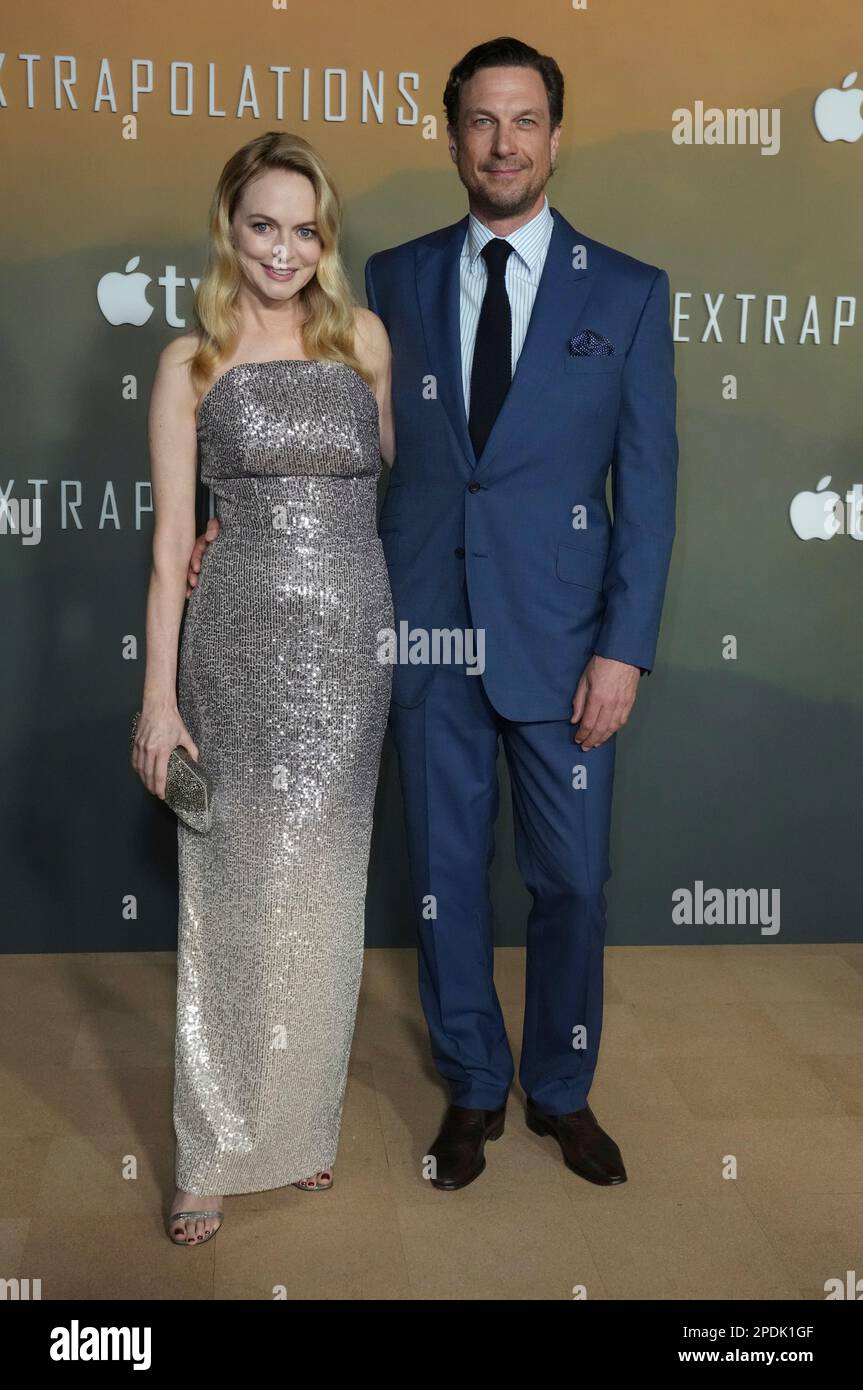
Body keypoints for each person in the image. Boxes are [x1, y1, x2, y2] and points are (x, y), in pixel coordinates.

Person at [190, 35, 679, 1195]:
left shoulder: (625, 290)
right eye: (479, 121)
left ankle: (560, 1088)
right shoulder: (392, 282)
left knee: (569, 883)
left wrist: (623, 648)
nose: (501, 142)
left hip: (565, 647)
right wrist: (230, 514)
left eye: (523, 121)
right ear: (450, 135)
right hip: (421, 636)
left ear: (553, 137)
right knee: (445, 879)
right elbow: (298, 401)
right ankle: (470, 1081)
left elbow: (648, 490)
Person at [132, 130, 394, 1245]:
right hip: (235, 640)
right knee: (233, 893)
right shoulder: (190, 359)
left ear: (322, 237)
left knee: (327, 890)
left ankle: (298, 1127)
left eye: (302, 227)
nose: (282, 248)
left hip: (349, 646)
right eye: (261, 225)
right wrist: (157, 699)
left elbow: (383, 489)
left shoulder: (365, 341)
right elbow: (169, 544)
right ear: (228, 230)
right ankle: (212, 1147)